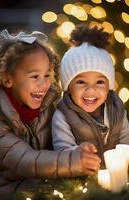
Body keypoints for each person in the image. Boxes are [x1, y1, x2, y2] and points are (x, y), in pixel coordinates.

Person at [0, 29, 86, 200]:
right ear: (7, 79)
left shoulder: (46, 107)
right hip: (0, 189)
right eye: (35, 76)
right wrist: (74, 161)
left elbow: (56, 141)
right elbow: (24, 160)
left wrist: (82, 146)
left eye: (47, 75)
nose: (44, 84)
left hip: (32, 182)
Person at [52, 24, 129, 175]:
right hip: (80, 180)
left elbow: (126, 139)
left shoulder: (116, 109)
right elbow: (62, 151)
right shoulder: (63, 116)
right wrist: (78, 153)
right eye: (81, 82)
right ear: (68, 87)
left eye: (100, 82)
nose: (91, 90)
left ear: (109, 86)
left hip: (115, 177)